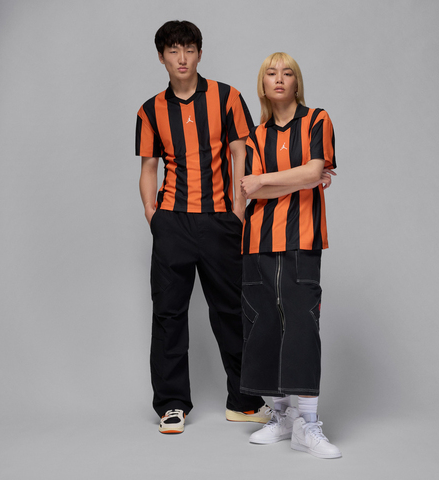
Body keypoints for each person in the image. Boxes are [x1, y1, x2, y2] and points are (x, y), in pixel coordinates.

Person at [135, 20, 269, 434]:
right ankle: (171, 405)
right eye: (173, 50)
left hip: (219, 221)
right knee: (168, 314)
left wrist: (238, 210)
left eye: (189, 49)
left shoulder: (227, 98)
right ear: (161, 57)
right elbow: (149, 167)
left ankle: (244, 402)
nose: (182, 58)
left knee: (232, 311)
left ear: (199, 53)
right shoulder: (150, 110)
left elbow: (240, 154)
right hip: (172, 222)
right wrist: (153, 214)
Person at [239, 52, 342, 458]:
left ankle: (308, 424)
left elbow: (312, 170)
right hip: (257, 239)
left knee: (302, 323)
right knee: (265, 325)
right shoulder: (255, 136)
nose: (279, 78)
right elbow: (248, 190)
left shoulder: (317, 120)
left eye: (287, 73)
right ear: (263, 85)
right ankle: (280, 417)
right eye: (271, 73)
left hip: (302, 237)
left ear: (297, 82)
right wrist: (302, 179)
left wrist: (266, 180)